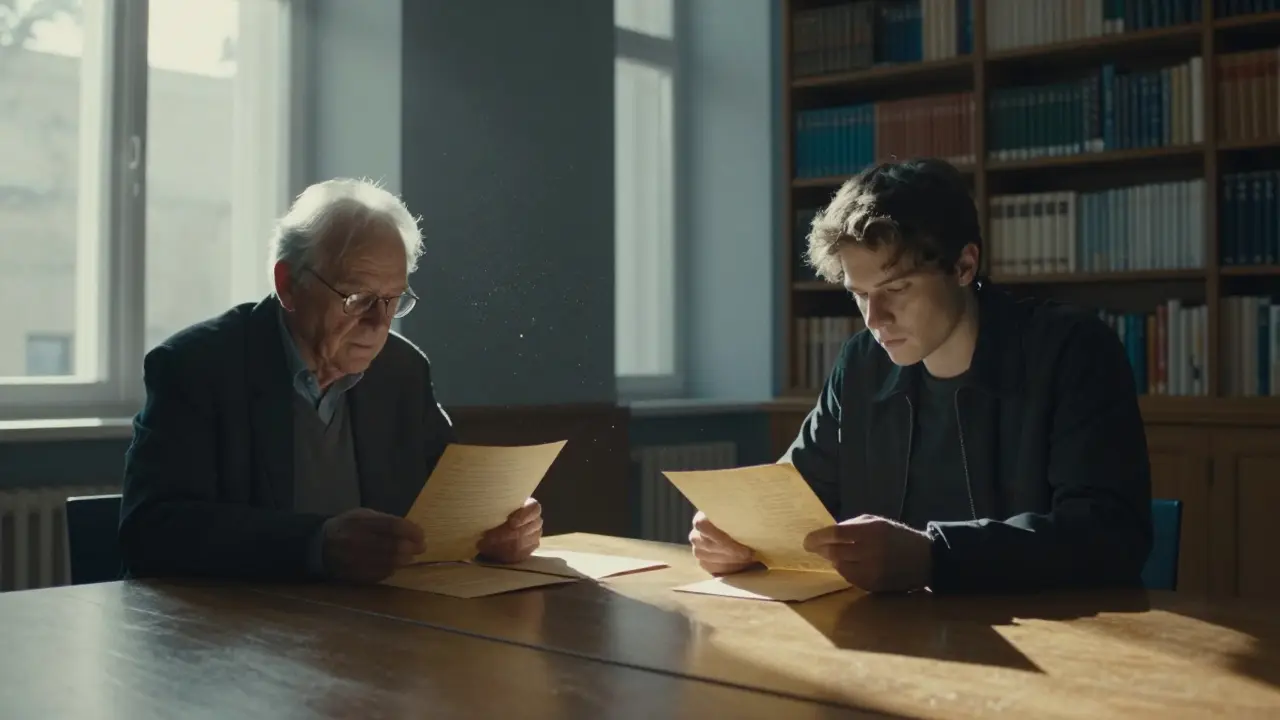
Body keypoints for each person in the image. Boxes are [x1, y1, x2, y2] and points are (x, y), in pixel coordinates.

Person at [689, 158, 1153, 594]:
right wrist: (739, 537)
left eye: (896, 288)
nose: (875, 319)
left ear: (964, 266)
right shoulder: (861, 365)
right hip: (897, 636)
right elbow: (791, 500)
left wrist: (934, 557)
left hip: (1055, 637)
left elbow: (1108, 536)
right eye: (860, 294)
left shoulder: (1072, 351)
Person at [119, 178, 542, 584]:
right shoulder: (197, 366)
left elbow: (449, 499)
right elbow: (150, 530)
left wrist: (500, 526)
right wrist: (316, 546)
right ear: (288, 285)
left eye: (393, 300)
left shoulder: (402, 371)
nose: (379, 323)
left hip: (379, 619)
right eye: (357, 299)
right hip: (236, 623)